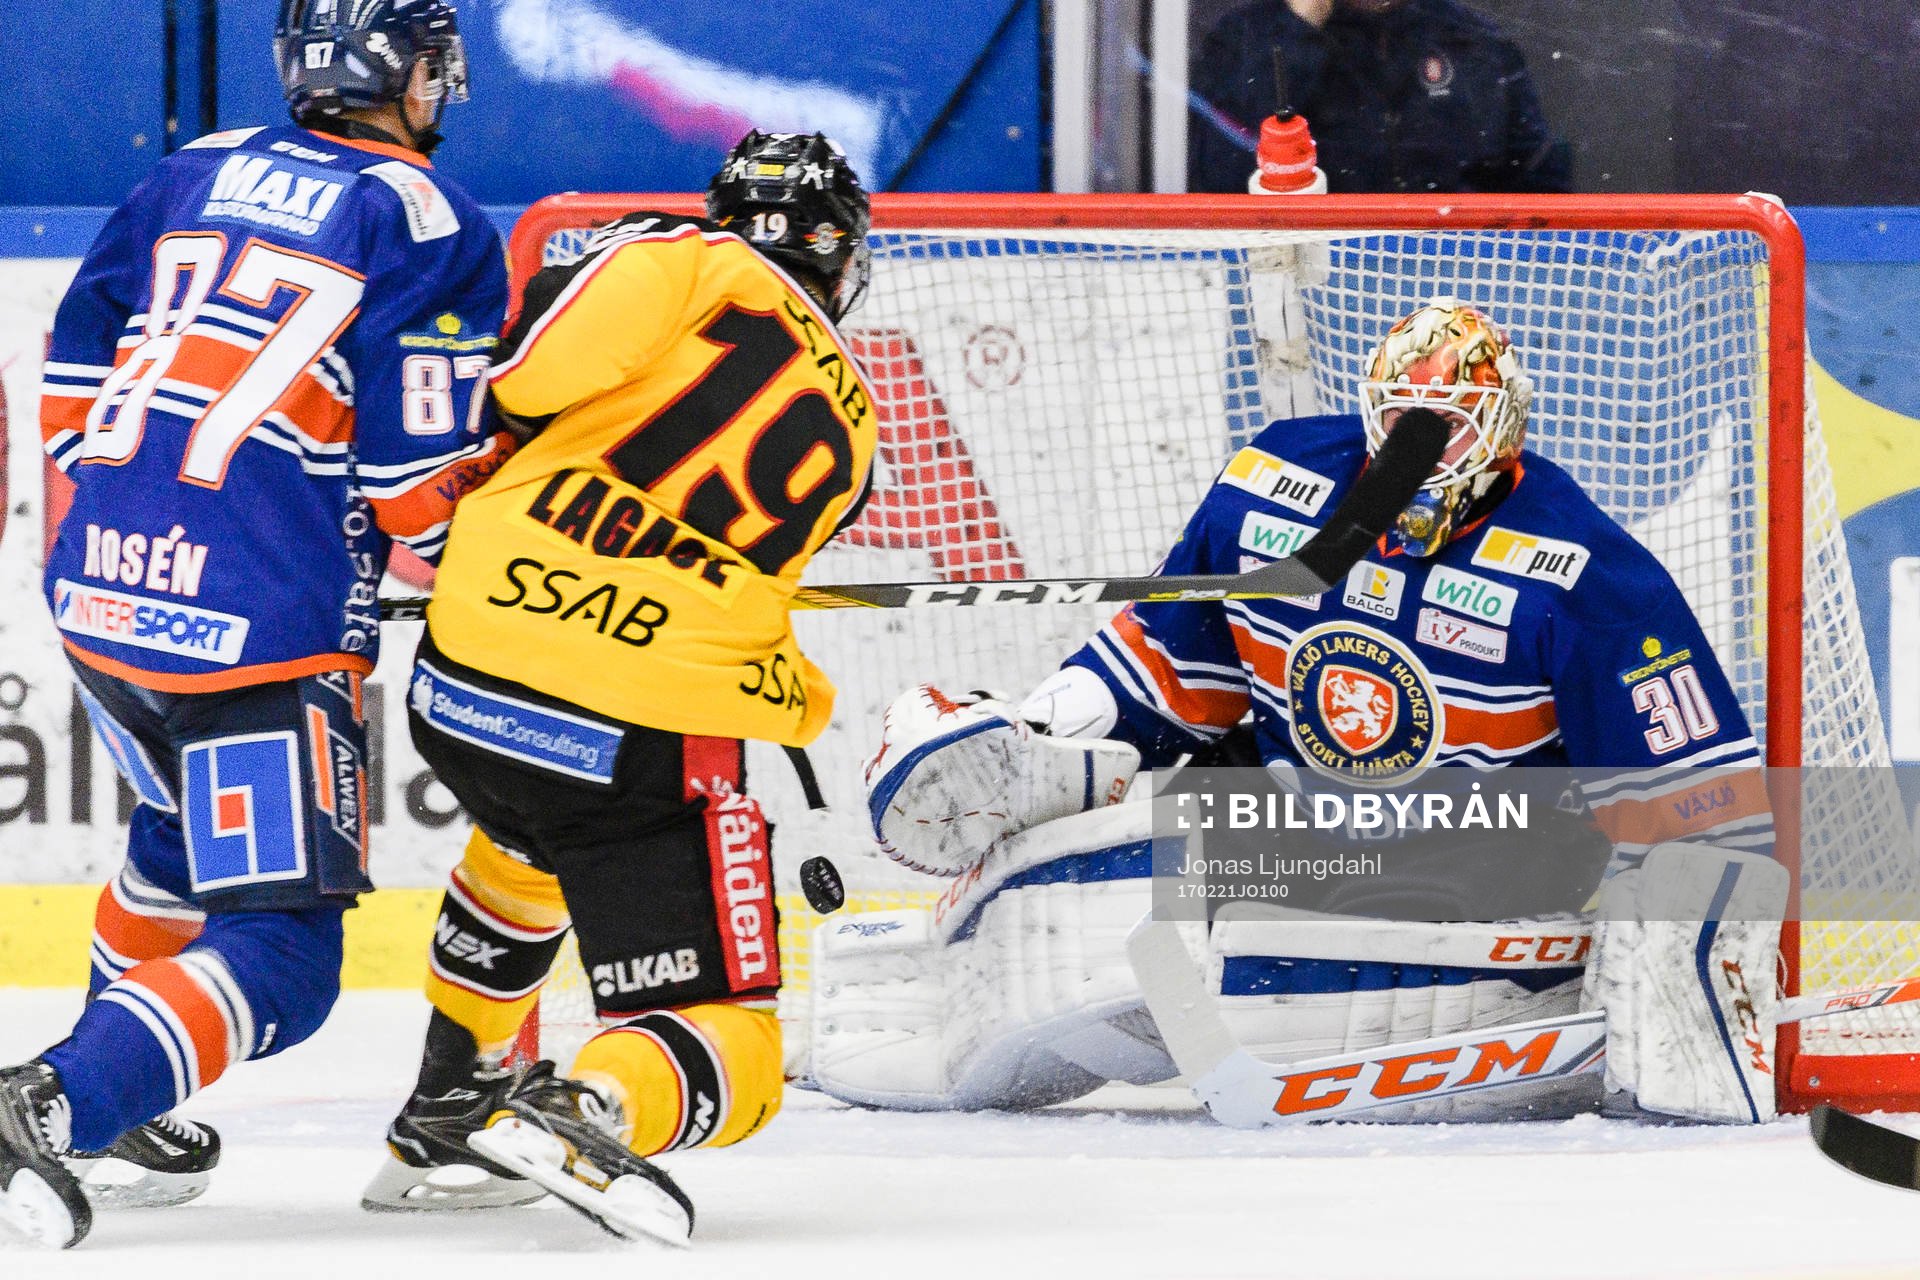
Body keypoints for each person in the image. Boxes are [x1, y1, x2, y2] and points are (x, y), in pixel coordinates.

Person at [843, 300, 1784, 1126]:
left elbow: (1702, 808)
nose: (1421, 453)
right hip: (1300, 834)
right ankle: (925, 993)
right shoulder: (1270, 485)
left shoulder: (1587, 576)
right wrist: (1051, 734)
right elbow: (1174, 663)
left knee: (1181, 889)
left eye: (1448, 429)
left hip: (1495, 878)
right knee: (1129, 860)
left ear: (1501, 433)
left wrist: (1675, 979)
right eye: (1404, 424)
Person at [1, 0, 511, 1249]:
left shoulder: (197, 165)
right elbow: (412, 494)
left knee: (177, 835)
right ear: (405, 69)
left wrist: (120, 501)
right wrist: (478, 573)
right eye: (437, 57)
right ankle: (59, 1099)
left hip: (99, 588)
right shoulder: (431, 220)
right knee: (284, 957)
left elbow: (77, 340)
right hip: (255, 635)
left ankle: (114, 1099)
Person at [359, 130, 877, 1244]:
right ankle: (581, 1104)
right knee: (739, 1046)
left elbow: (529, 375)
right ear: (844, 256)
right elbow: (727, 609)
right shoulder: (857, 425)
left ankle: (443, 1115)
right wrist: (799, 699)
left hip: (466, 679)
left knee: (525, 844)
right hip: (629, 735)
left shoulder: (675, 257)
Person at [1189, 0, 1572, 195]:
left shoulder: (1472, 39)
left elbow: (1539, 181)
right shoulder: (1246, 37)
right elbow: (1221, 176)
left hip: (1453, 289)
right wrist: (1297, 30)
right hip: (1306, 294)